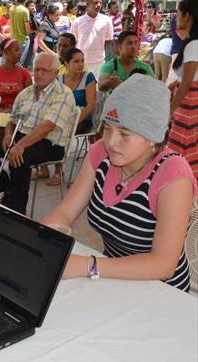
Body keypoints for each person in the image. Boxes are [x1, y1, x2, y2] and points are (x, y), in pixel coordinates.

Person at [41, 74, 197, 292]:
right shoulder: (100, 153)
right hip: (113, 278)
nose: (112, 142)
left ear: (153, 136)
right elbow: (65, 212)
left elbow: (164, 264)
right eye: (107, 128)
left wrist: (88, 265)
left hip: (160, 291)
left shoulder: (173, 174)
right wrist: (36, 242)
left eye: (124, 133)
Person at [0, 52, 76, 214]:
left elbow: (48, 126)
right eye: (36, 70)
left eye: (44, 70)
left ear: (56, 73)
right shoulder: (26, 92)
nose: (38, 74)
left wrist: (20, 145)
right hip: (20, 136)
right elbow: (11, 120)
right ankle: (5, 191)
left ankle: (17, 211)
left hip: (50, 143)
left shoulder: (63, 94)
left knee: (19, 159)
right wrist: (8, 134)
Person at [44, 47, 96, 186]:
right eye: (76, 61)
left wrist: (74, 122)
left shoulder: (88, 77)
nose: (80, 64)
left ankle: (58, 172)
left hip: (83, 119)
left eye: (82, 61)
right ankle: (43, 168)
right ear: (66, 64)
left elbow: (91, 105)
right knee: (40, 126)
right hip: (61, 118)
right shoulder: (58, 79)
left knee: (61, 131)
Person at [168, 0, 198, 179]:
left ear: (188, 16)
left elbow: (188, 83)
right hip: (187, 105)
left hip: (189, 107)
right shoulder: (191, 42)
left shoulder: (194, 44)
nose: (175, 18)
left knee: (180, 152)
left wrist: (170, 110)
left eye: (178, 14)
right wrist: (176, 83)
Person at [0, 38, 32, 139]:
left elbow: (31, 98)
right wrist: (1, 111)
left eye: (20, 50)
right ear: (6, 52)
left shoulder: (25, 73)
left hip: (20, 113)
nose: (20, 53)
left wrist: (15, 111)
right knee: (3, 123)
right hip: (0, 113)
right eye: (16, 50)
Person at [70, 0, 114, 77]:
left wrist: (98, 51)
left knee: (97, 87)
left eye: (100, 2)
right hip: (81, 62)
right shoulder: (77, 22)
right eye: (95, 2)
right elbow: (72, 42)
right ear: (87, 4)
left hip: (99, 62)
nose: (99, 5)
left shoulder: (107, 21)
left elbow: (108, 40)